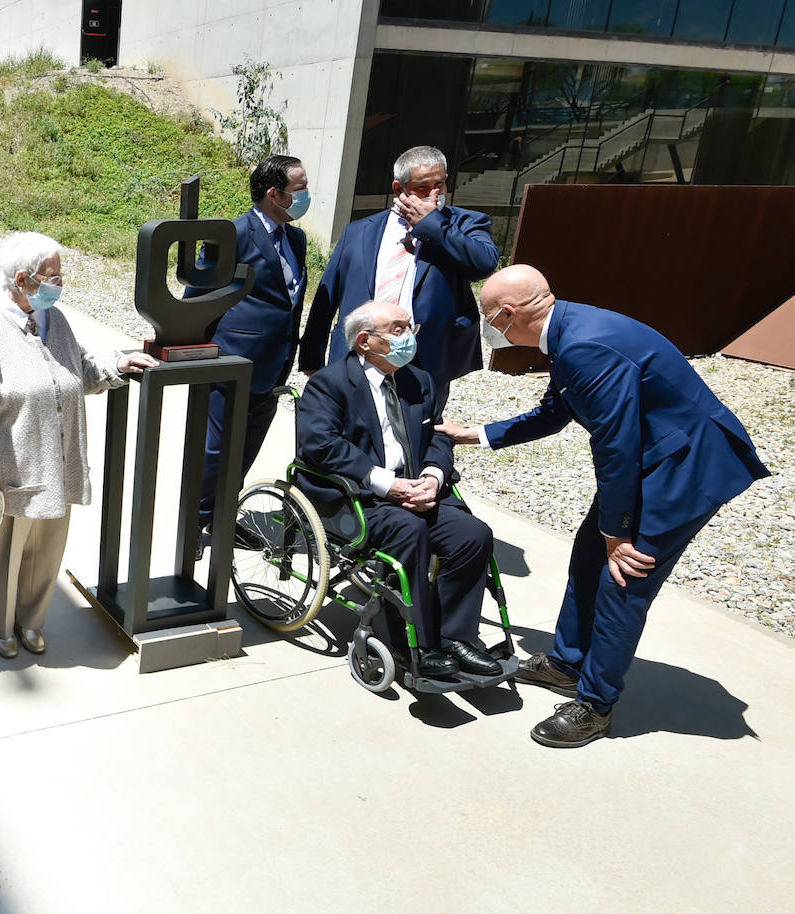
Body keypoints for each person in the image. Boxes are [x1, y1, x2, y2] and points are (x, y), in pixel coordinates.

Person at [439, 264, 770, 748]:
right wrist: (480, 434)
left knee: (623, 578)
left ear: (507, 314)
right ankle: (566, 664)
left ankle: (595, 705)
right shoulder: (568, 331)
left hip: (684, 466)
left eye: (488, 316)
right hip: (653, 457)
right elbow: (556, 411)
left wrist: (618, 533)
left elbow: (616, 444)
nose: (487, 326)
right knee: (590, 554)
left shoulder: (583, 347)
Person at [0, 232, 157, 658]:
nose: (60, 284)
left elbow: (78, 369)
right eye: (54, 277)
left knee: (46, 554)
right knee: (5, 556)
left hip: (55, 463)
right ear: (24, 279)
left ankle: (31, 622)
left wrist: (118, 364)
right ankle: (1, 627)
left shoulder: (54, 320)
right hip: (8, 476)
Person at [296, 300, 498, 679]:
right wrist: (388, 485)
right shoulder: (330, 384)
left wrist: (434, 476)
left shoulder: (416, 380)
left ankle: (457, 637)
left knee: (473, 535)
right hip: (357, 497)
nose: (409, 337)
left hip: (415, 490)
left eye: (410, 328)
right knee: (410, 531)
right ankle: (414, 646)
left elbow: (437, 435)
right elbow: (319, 445)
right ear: (364, 341)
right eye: (398, 329)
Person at [299, 145, 499, 402]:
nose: (435, 194)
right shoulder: (359, 231)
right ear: (398, 189)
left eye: (441, 185)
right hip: (360, 352)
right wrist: (311, 357)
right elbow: (327, 298)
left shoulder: (464, 224)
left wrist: (431, 225)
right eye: (423, 188)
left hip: (425, 357)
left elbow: (483, 264)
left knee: (416, 434)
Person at [190, 154, 309, 546]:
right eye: (300, 190)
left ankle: (222, 519)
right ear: (274, 194)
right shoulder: (233, 235)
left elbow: (288, 300)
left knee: (245, 450)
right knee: (217, 450)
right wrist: (205, 355)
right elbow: (198, 299)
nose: (307, 196)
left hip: (275, 364)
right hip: (231, 362)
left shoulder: (296, 238)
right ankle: (194, 525)